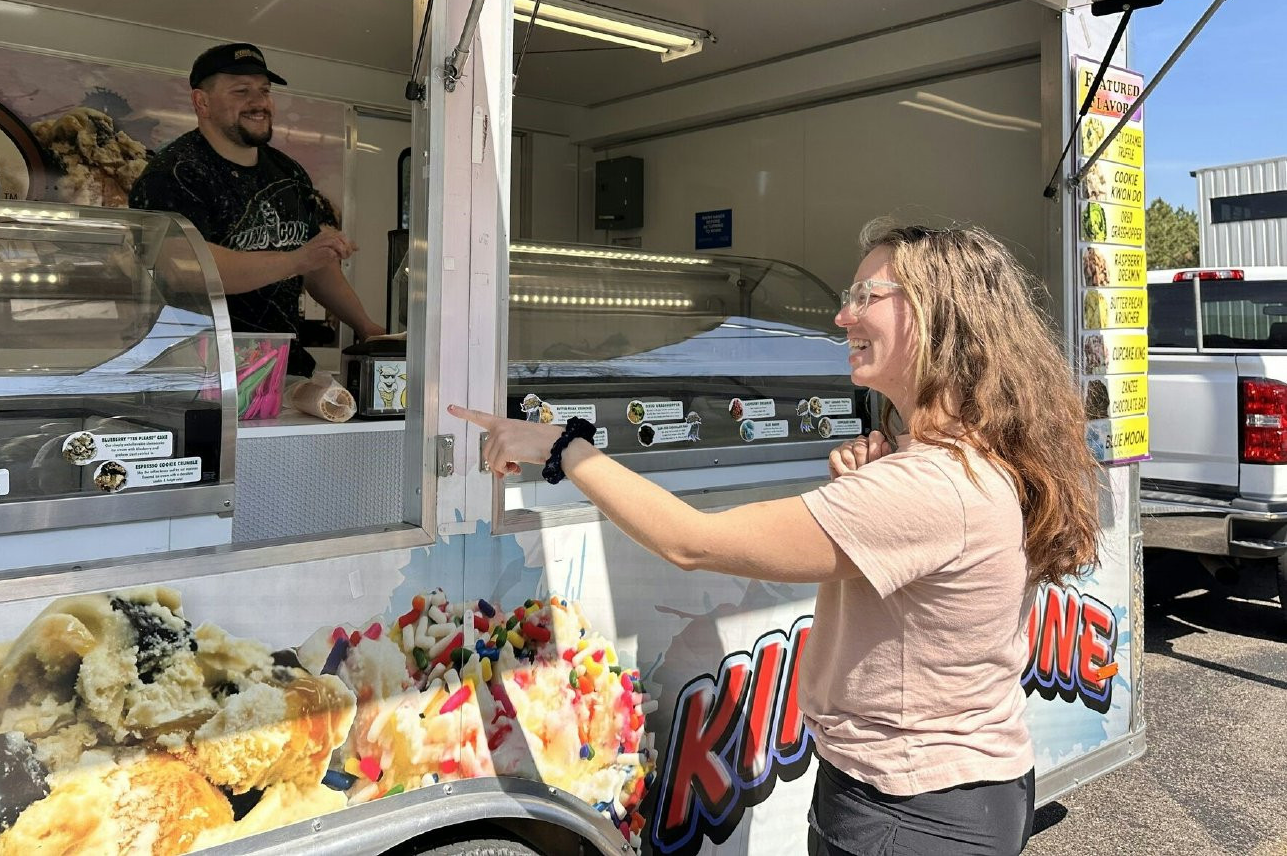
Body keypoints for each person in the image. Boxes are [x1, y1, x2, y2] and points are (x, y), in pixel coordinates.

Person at [452, 221, 1100, 856]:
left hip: (908, 812)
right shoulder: (964, 460)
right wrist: (874, 483)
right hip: (967, 789)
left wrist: (561, 445)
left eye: (866, 298)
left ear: (936, 317)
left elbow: (691, 541)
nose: (843, 319)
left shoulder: (928, 486)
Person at [130, 43, 384, 376]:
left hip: (282, 367)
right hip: (202, 373)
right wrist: (296, 259)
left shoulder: (288, 173)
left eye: (264, 91)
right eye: (241, 91)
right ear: (201, 101)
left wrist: (366, 326)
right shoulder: (173, 173)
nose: (259, 102)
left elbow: (318, 269)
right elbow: (186, 270)